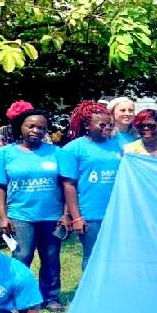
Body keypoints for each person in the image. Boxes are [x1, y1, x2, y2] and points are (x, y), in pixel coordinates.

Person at [0, 109, 76, 313]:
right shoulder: (6, 154)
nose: (36, 130)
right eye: (31, 126)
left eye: (41, 127)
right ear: (21, 127)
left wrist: (65, 214)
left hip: (52, 216)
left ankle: (50, 297)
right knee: (22, 257)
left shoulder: (57, 153)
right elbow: (0, 187)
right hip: (20, 216)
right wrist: (3, 217)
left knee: (51, 258)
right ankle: (18, 299)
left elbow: (66, 186)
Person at [60, 101, 123, 271]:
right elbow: (68, 186)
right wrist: (77, 217)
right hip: (91, 213)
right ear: (87, 125)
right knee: (93, 255)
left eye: (110, 124)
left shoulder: (118, 145)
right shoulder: (73, 149)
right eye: (102, 124)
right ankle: (90, 296)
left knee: (117, 255)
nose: (107, 128)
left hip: (118, 211)